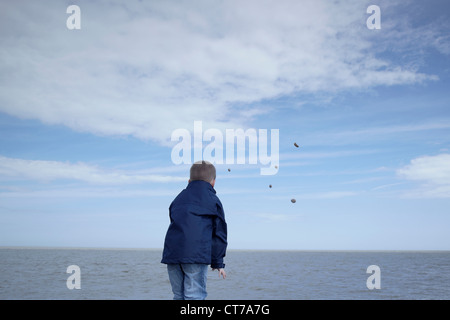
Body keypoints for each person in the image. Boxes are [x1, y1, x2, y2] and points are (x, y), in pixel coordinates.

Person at [161, 160, 228, 300]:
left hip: (172, 255)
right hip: (195, 255)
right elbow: (219, 233)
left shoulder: (178, 198)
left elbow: (174, 219)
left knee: (178, 295)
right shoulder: (213, 199)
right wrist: (218, 262)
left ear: (189, 180)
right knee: (195, 295)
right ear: (213, 182)